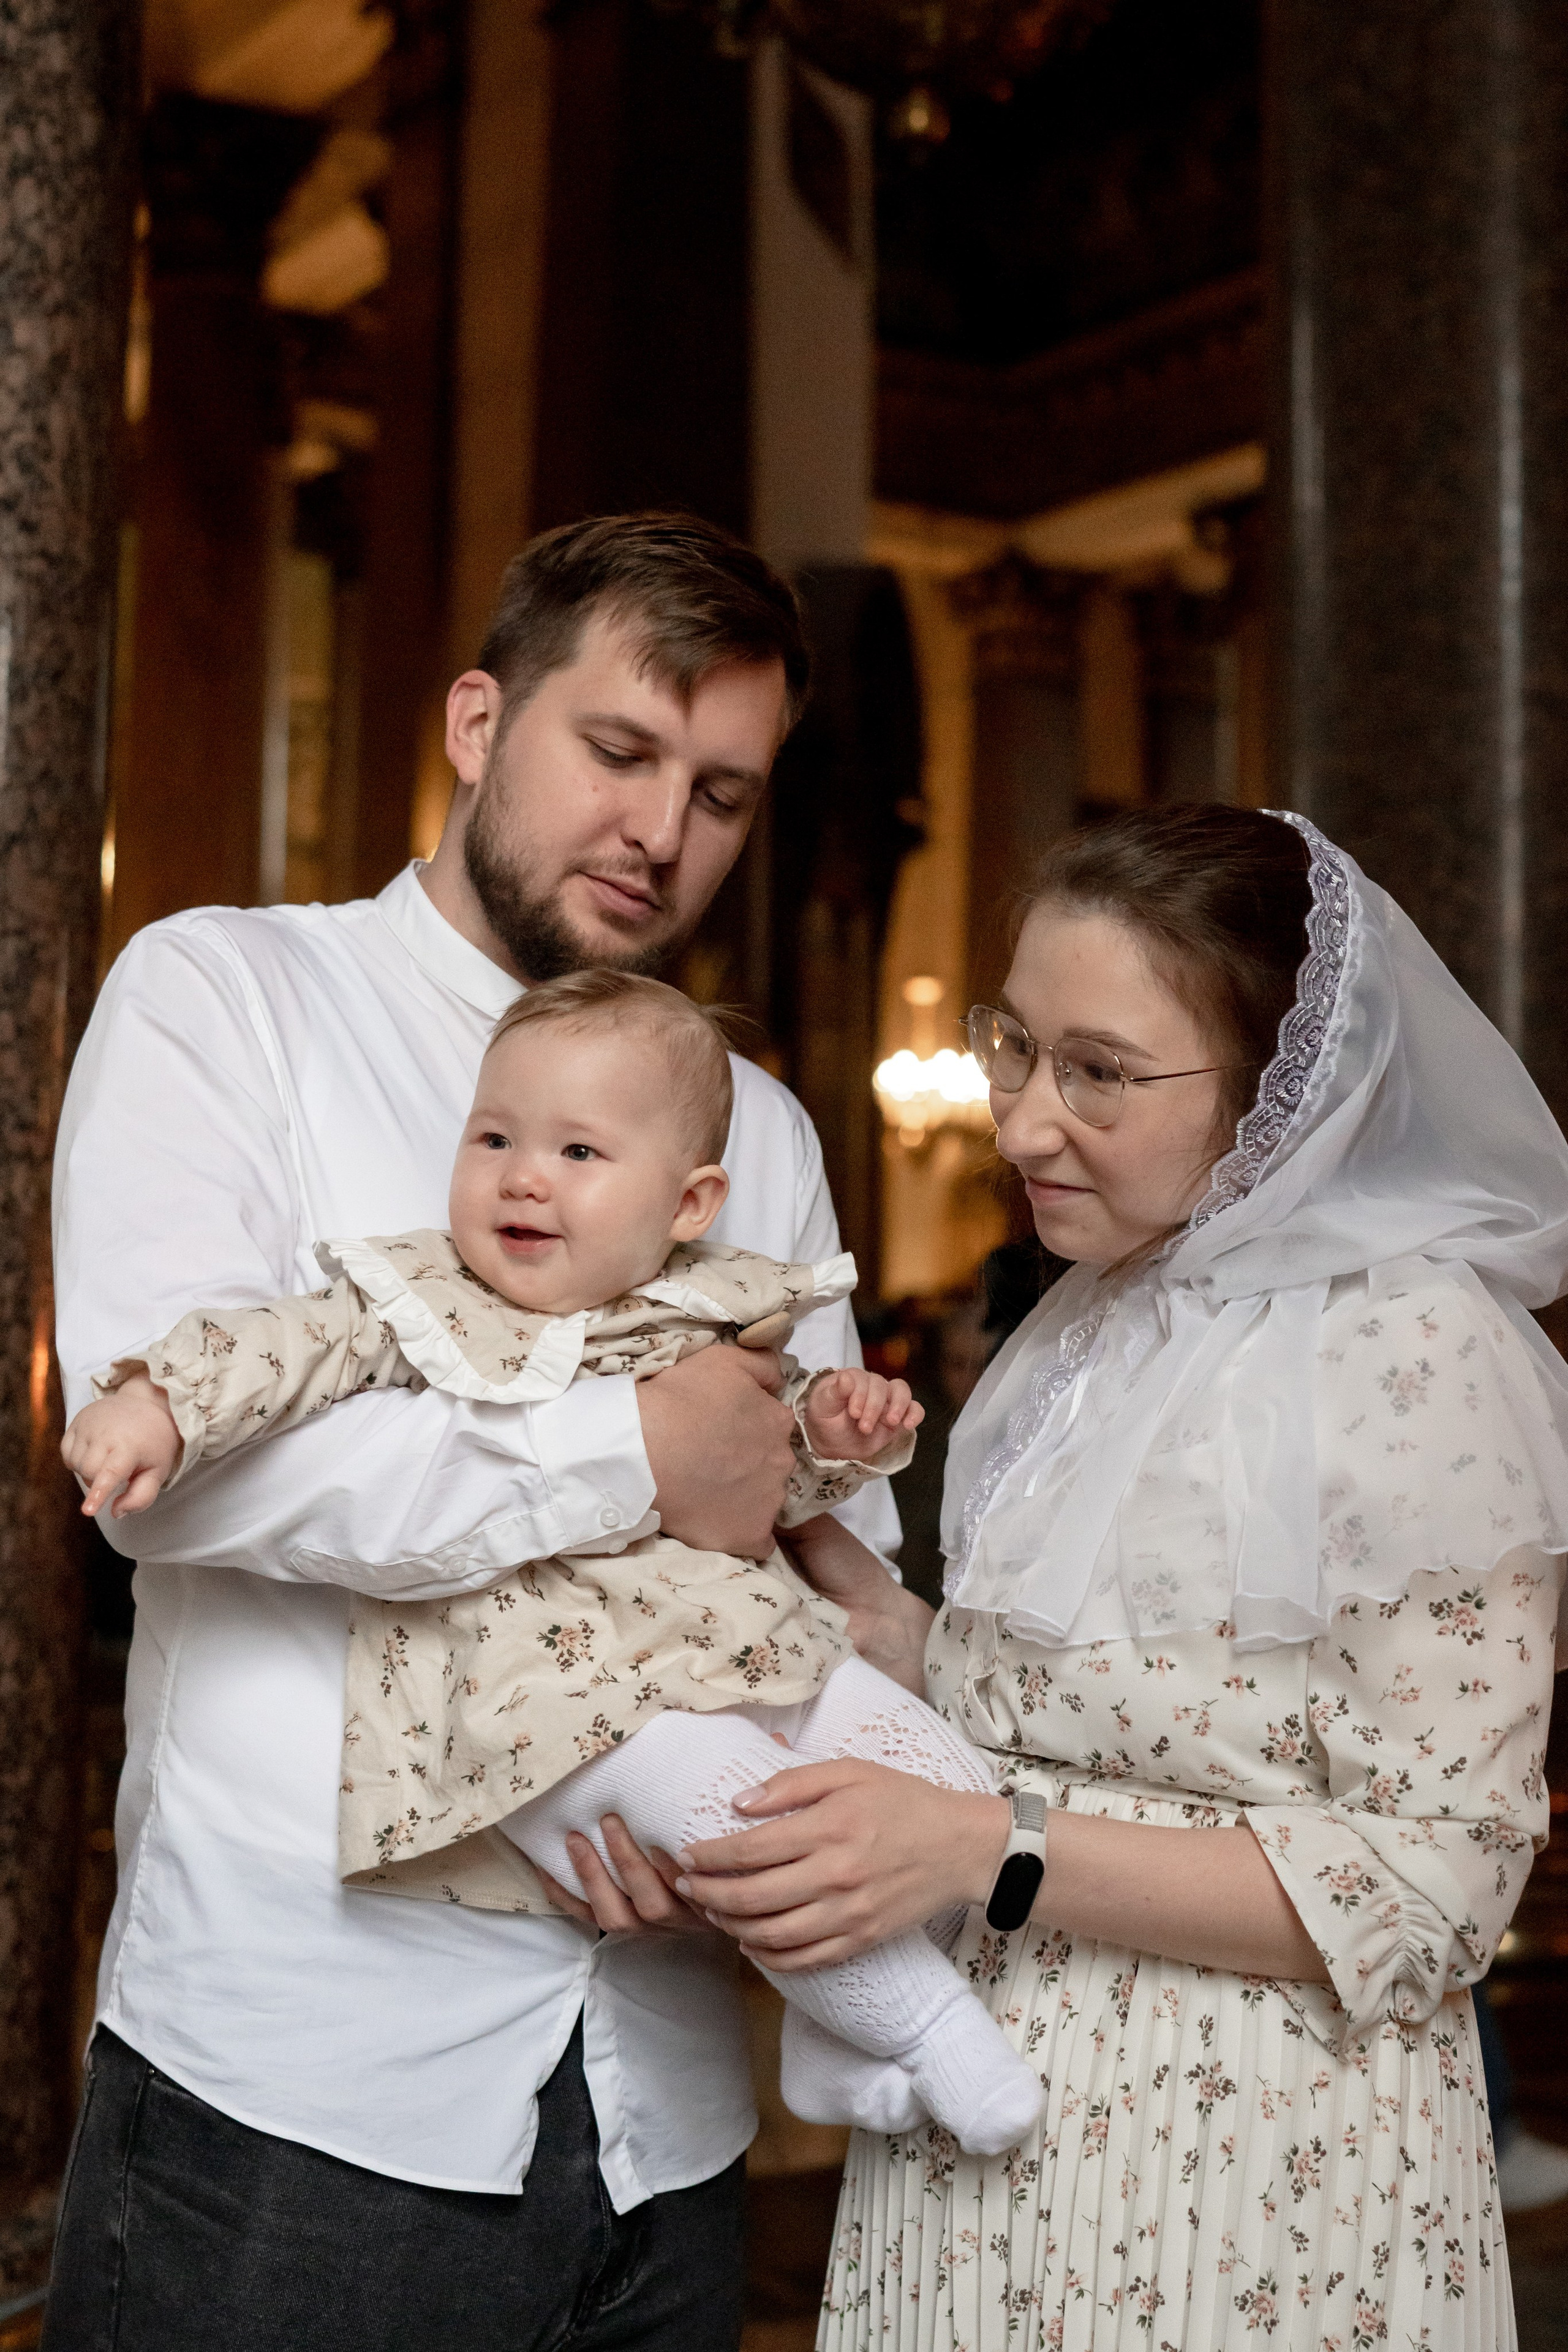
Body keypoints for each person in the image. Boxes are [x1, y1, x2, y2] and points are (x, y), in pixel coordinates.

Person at [43, 513, 904, 2352]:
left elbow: (829, 1544)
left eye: (725, 793)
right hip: (299, 2088)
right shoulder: (227, 998)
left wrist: (760, 1814)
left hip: (668, 2099)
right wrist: (635, 1459)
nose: (665, 833)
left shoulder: (749, 1116)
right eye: (620, 753)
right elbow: (184, 1480)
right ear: (473, 723)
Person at [666, 805, 1568, 2350]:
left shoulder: (1413, 1343)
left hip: (1247, 2171)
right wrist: (849, 1592)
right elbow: (1095, 1702)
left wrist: (979, 1848)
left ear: (1285, 1091)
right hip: (980, 2133)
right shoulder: (1096, 1313)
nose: (1017, 1123)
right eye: (1014, 1045)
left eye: (1098, 1071)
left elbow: (1434, 1880)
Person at [61, 969, 1042, 2158]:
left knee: (929, 1786)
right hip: (558, 1706)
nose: (523, 1174)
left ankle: (833, 2042)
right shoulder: (424, 1294)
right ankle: (931, 2029)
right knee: (753, 1823)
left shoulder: (713, 1310)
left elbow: (765, 1489)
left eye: (578, 1151)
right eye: (494, 1138)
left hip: (742, 1643)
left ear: (689, 1203)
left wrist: (830, 1444)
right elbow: (279, 1349)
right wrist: (159, 1405)